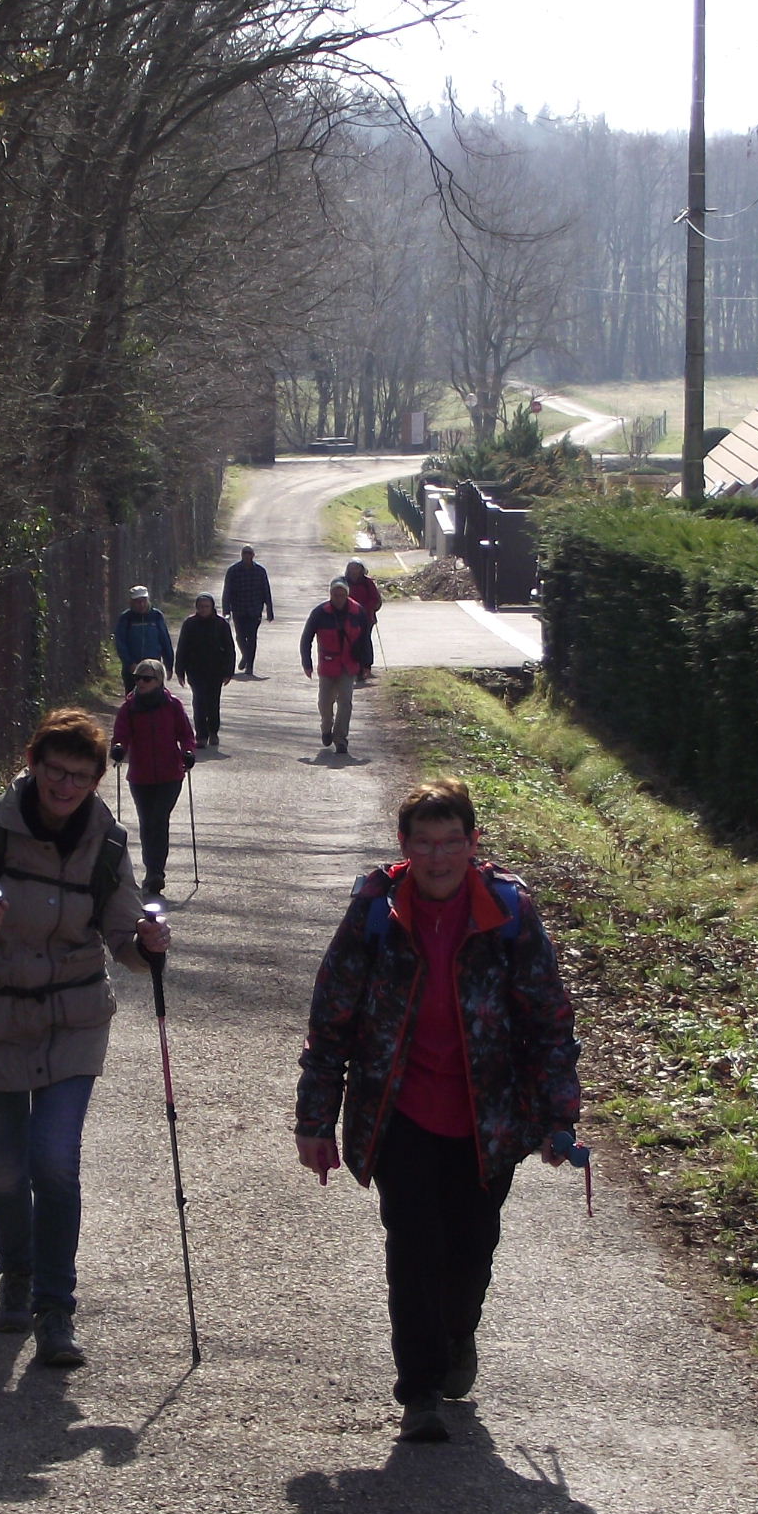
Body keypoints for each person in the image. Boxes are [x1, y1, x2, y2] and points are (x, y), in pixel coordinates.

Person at [294, 778, 581, 1443]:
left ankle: (457, 1333)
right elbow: (331, 1017)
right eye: (424, 843)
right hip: (400, 1112)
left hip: (490, 1119)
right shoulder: (376, 909)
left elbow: (548, 1017)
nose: (438, 856)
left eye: (452, 841)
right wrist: (315, 1119)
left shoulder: (508, 912)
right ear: (404, 845)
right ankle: (419, 1390)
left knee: (471, 1248)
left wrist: (559, 1115)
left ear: (473, 843)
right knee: (414, 1245)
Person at [0, 709, 171, 1368]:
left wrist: (148, 944)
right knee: (7, 1171)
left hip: (72, 1023)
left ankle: (55, 1310)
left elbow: (124, 938)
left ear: (96, 780)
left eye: (81, 777)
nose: (66, 786)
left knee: (55, 1163)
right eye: (55, 772)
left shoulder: (108, 842)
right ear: (32, 764)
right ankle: (17, 1271)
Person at [110, 660, 198, 896]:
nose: (140, 682)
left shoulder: (172, 706)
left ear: (159, 681)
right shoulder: (129, 708)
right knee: (147, 823)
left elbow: (186, 735)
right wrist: (118, 748)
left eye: (146, 678)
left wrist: (188, 752)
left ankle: (155, 872)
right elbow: (121, 735)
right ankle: (152, 870)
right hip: (140, 777)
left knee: (159, 819)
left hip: (170, 775)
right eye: (137, 678)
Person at [298, 578, 370, 756]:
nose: (338, 598)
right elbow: (306, 638)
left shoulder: (358, 612)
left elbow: (365, 639)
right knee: (325, 702)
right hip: (328, 664)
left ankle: (341, 739)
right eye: (335, 594)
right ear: (330, 595)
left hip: (349, 664)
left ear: (347, 595)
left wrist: (366, 664)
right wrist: (307, 663)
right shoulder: (320, 613)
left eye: (342, 594)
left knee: (345, 702)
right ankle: (326, 727)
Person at [174, 592, 237, 747]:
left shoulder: (221, 624)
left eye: (206, 606)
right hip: (195, 670)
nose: (203, 609)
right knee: (199, 702)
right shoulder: (190, 624)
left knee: (213, 703)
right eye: (200, 606)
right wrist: (180, 671)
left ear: (212, 607)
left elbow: (229, 649)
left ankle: (213, 731)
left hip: (215, 671)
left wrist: (228, 671)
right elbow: (182, 648)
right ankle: (201, 735)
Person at [221, 545, 274, 677]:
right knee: (240, 636)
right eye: (244, 553)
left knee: (252, 637)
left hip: (254, 610)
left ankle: (249, 666)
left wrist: (269, 610)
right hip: (238, 609)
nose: (247, 556)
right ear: (241, 555)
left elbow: (266, 591)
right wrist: (226, 610)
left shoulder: (260, 571)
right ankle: (246, 655)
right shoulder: (233, 571)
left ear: (253, 555)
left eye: (249, 553)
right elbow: (227, 591)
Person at [113, 586, 173, 690]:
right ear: (131, 602)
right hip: (133, 668)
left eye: (144, 601)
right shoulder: (126, 618)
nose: (141, 605)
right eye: (138, 602)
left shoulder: (156, 616)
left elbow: (165, 641)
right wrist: (129, 663)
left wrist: (169, 665)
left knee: (156, 696)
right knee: (133, 697)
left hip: (153, 668)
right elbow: (121, 643)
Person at [343, 558, 384, 681]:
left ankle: (366, 666)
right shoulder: (344, 581)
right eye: (352, 568)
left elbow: (375, 599)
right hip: (348, 617)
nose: (354, 571)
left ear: (362, 569)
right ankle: (352, 666)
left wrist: (367, 608)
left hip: (366, 617)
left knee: (364, 640)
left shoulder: (367, 582)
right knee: (349, 642)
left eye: (356, 568)